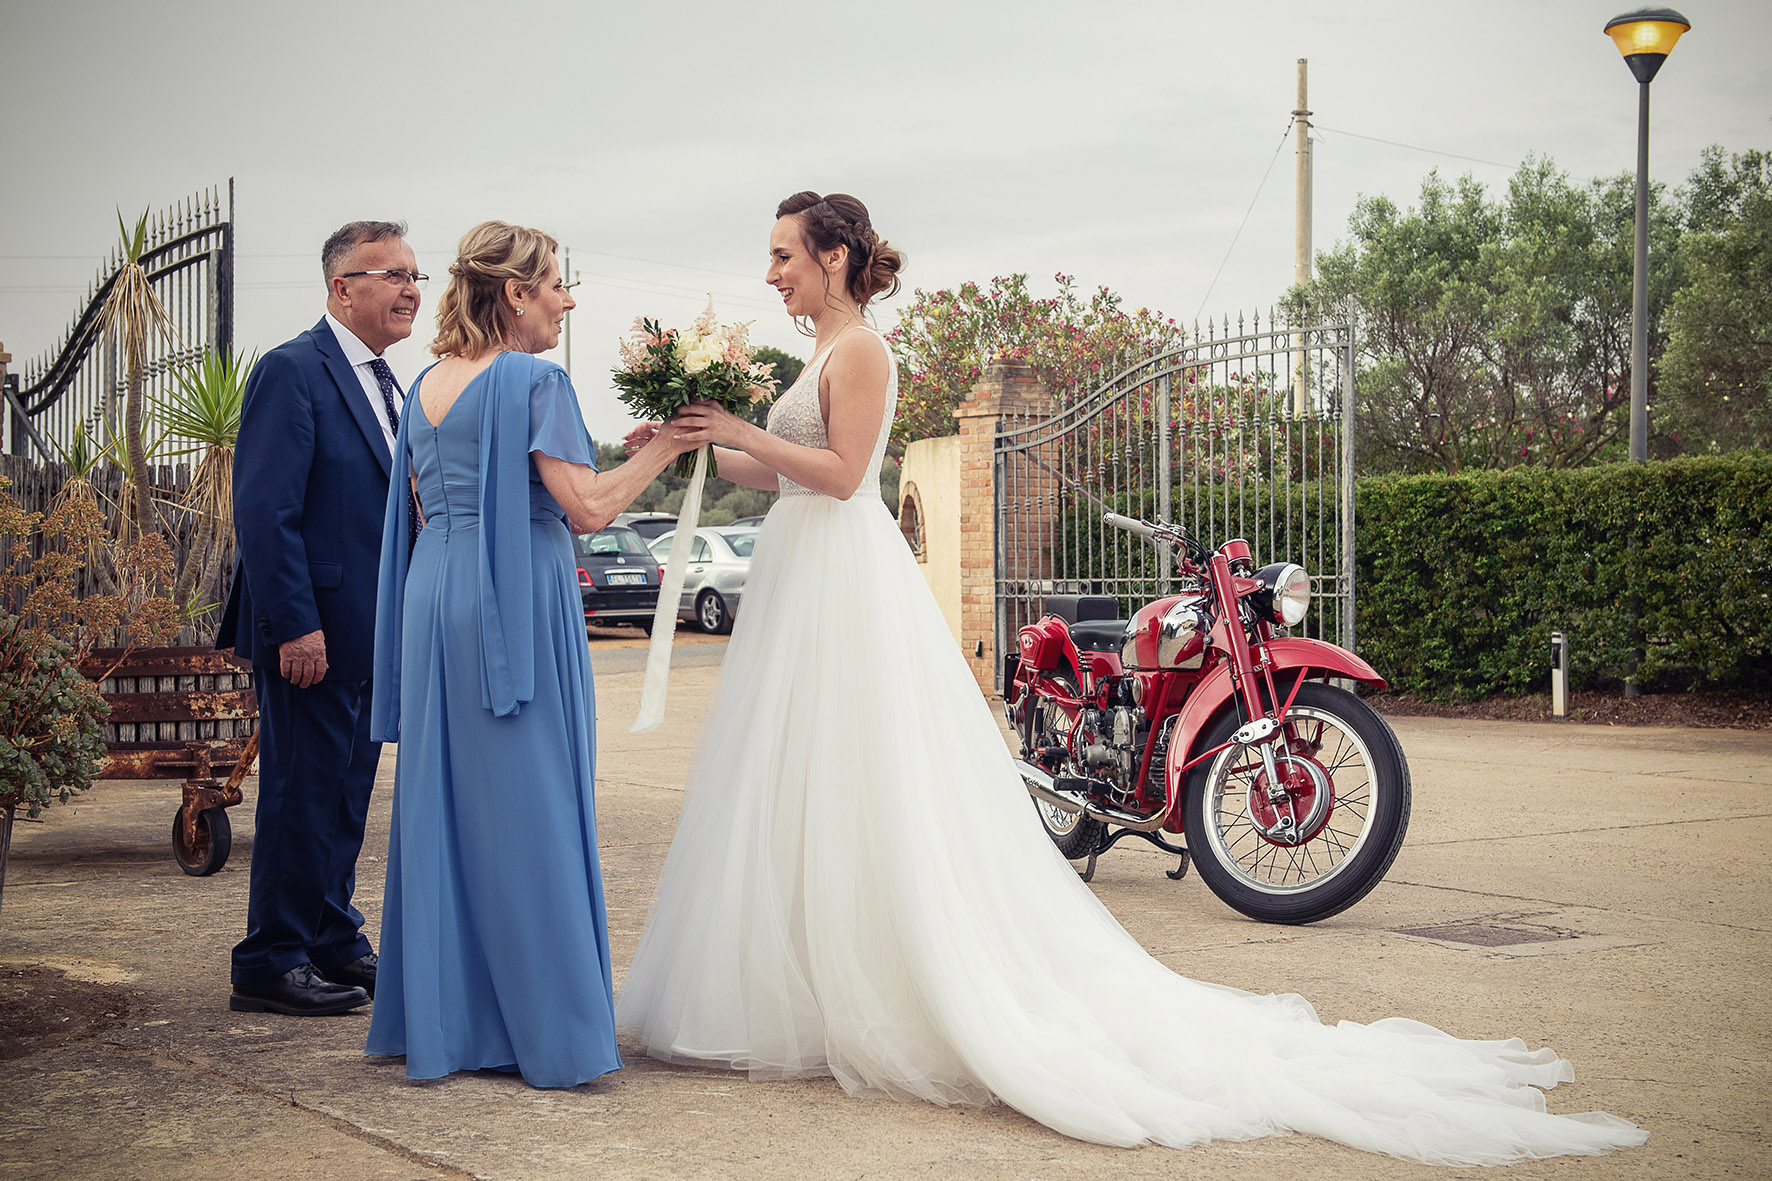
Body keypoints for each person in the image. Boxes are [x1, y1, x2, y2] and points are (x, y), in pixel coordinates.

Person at [613, 192, 1649, 1164]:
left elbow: (842, 476)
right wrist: (691, 439)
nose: (771, 273)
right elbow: (770, 466)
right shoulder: (818, 350)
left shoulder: (863, 349)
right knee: (797, 779)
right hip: (803, 581)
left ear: (832, 257)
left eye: (782, 255)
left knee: (866, 777)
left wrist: (746, 432)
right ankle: (803, 983)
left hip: (843, 578)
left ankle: (892, 983)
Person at [364, 221, 692, 1087]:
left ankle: (448, 1021)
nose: (567, 300)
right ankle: (551, 1034)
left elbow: (429, 513)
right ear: (514, 294)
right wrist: (668, 445)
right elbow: (585, 510)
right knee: (533, 804)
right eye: (556, 284)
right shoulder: (534, 378)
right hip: (512, 595)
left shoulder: (428, 380)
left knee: (448, 805)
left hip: (433, 596)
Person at [219, 220, 424, 1016]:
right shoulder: (292, 371)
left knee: (344, 796)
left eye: (417, 275)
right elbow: (266, 512)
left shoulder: (389, 383)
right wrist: (295, 623)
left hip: (371, 630)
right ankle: (270, 957)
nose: (411, 289)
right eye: (393, 274)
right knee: (300, 795)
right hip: (314, 634)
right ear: (343, 287)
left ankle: (332, 935)